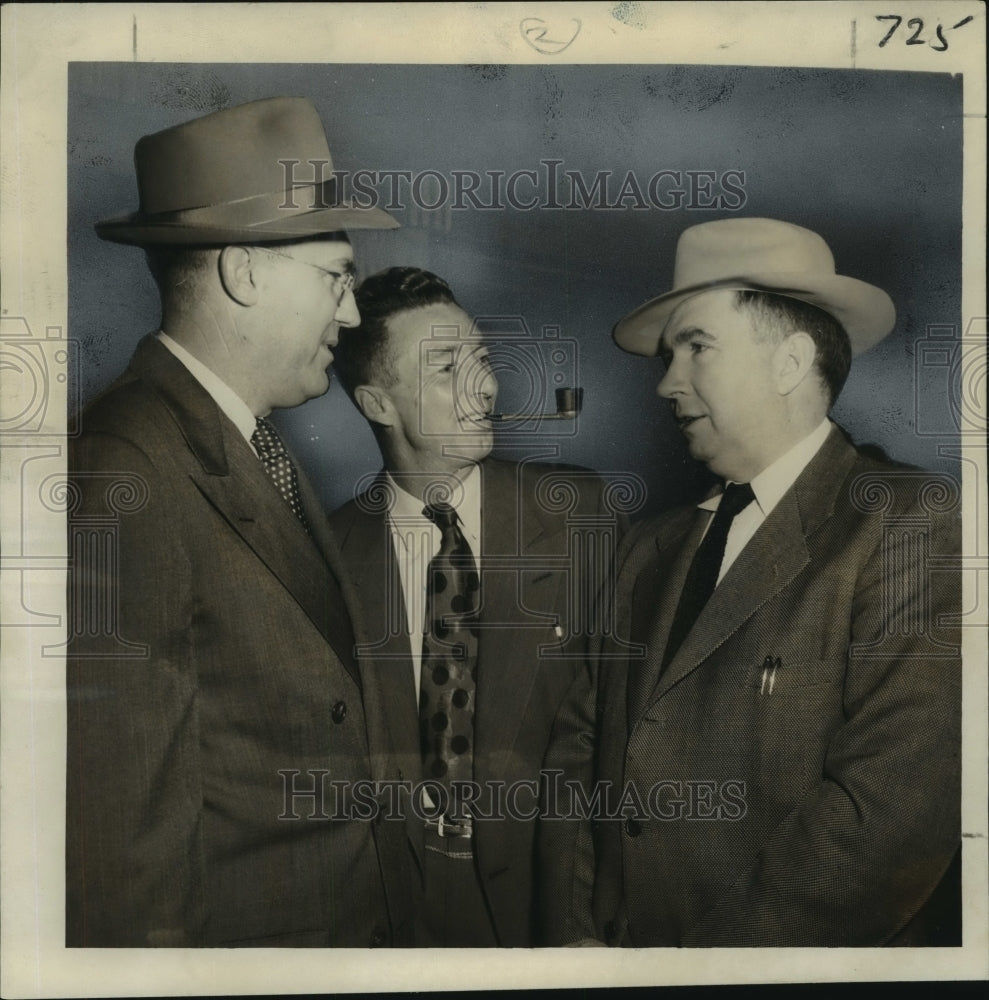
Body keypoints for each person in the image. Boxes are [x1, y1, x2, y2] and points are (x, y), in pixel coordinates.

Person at [542, 217, 962, 947]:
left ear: (789, 362)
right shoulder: (649, 548)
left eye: (695, 347)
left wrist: (704, 971)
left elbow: (890, 811)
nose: (667, 383)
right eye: (667, 357)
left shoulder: (905, 524)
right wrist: (582, 942)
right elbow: (580, 755)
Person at [65, 97, 414, 947]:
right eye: (337, 277)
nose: (352, 314)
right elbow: (124, 843)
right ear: (244, 273)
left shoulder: (242, 438)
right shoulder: (127, 465)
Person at [329, 267, 626, 946]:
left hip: (551, 902)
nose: (486, 387)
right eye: (445, 366)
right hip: (391, 914)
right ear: (378, 404)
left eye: (482, 360)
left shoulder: (583, 516)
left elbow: (618, 734)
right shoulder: (325, 554)